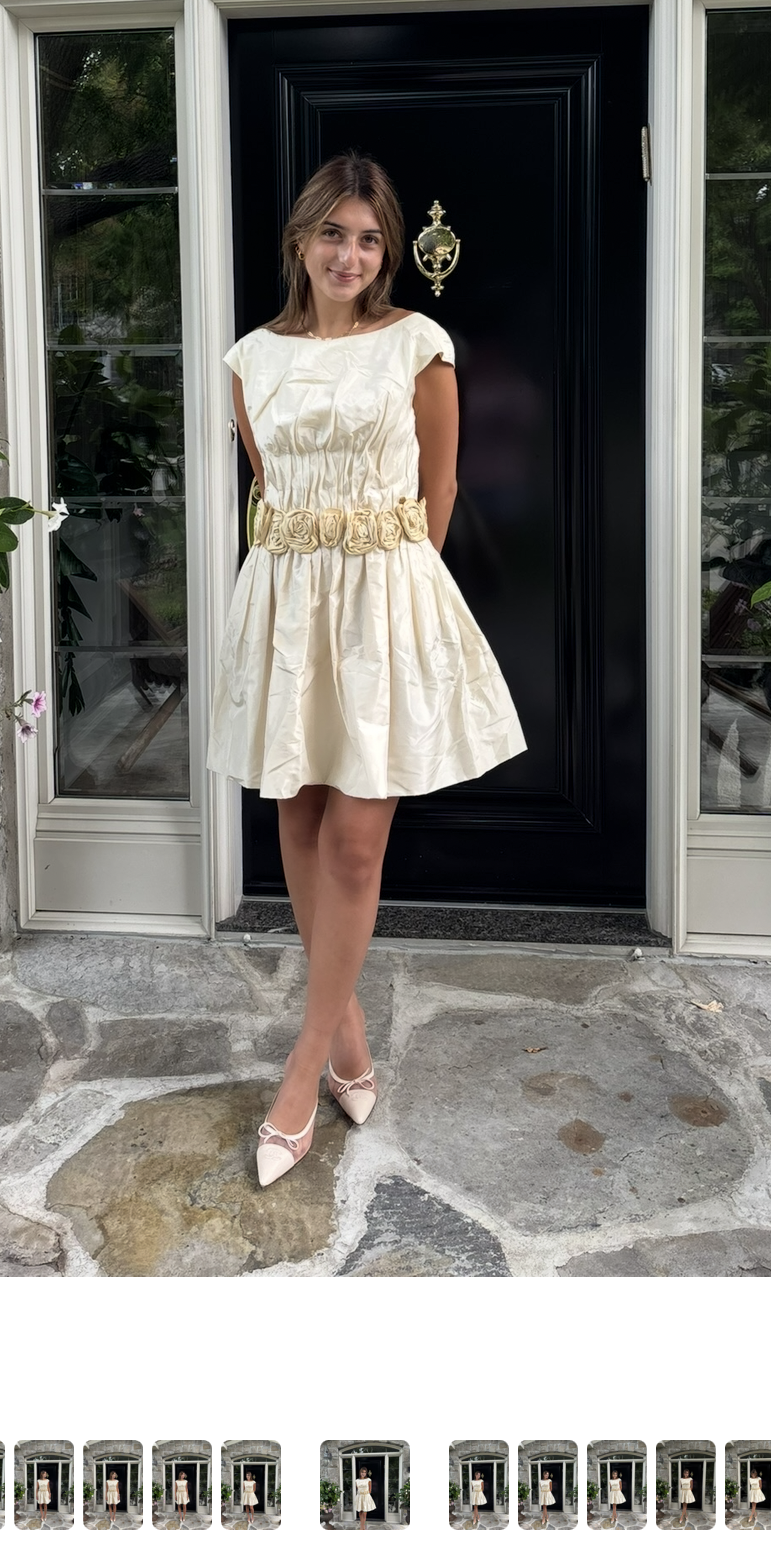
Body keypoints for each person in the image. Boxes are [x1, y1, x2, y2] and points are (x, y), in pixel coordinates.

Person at [209, 154, 525, 1186]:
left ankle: (303, 1070)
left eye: (369, 238)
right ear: (300, 241)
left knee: (353, 841)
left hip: (384, 600)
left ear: (388, 253)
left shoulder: (418, 345)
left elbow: (442, 488)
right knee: (297, 819)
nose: (349, 255)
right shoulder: (250, 359)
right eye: (333, 234)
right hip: (289, 603)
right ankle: (347, 1036)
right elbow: (269, 486)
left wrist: (394, 607)